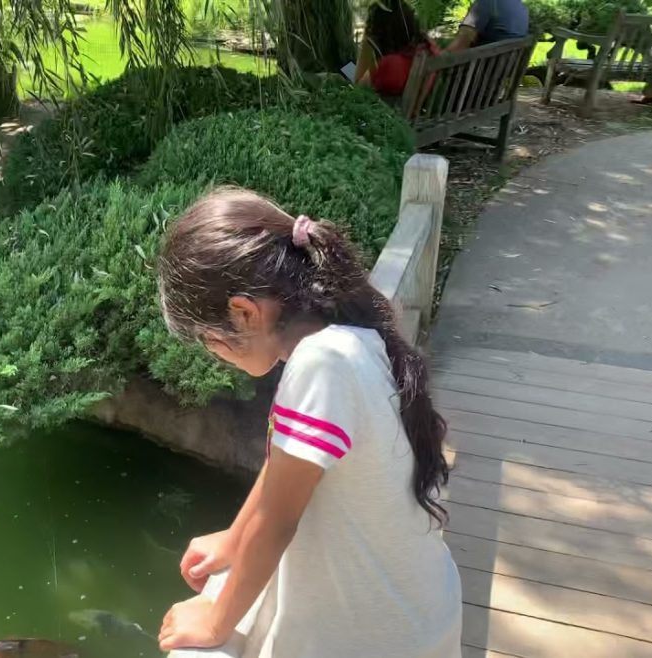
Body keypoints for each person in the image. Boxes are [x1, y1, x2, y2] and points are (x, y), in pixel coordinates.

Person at [155, 188, 463, 658]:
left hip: (379, 642)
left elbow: (278, 520)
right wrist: (233, 540)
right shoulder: (349, 338)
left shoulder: (322, 364)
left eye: (209, 340)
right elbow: (285, 472)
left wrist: (216, 621)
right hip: (417, 619)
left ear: (244, 312)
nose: (213, 355)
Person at [354, 0, 439, 97]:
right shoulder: (423, 56)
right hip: (416, 104)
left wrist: (367, 42)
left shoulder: (389, 68)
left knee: (346, 67)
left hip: (389, 106)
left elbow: (358, 84)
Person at [446, 0, 530, 52]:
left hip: (475, 73)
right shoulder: (522, 8)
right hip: (501, 75)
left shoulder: (487, 2)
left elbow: (458, 46)